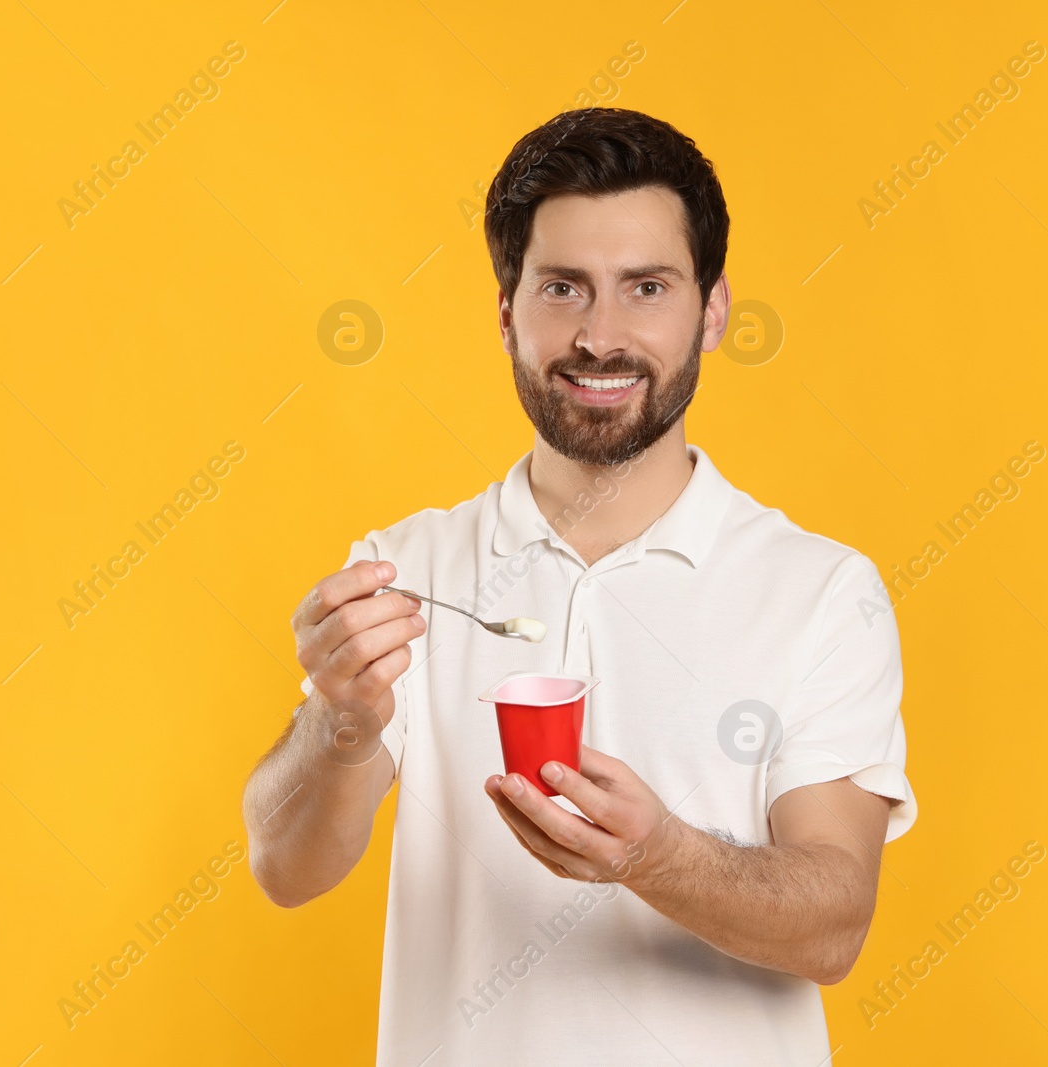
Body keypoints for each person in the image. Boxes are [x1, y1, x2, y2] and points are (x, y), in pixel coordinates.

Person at [243, 106, 916, 1065]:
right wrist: (338, 722)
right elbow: (285, 866)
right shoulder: (408, 570)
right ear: (507, 311)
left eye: (646, 287)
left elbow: (833, 925)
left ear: (712, 310)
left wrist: (654, 854)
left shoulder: (822, 592)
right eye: (563, 288)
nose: (601, 337)